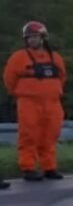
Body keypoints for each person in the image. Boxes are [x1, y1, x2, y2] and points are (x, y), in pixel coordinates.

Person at [3, 21, 67, 181]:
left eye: (36, 36)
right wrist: (22, 93)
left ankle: (49, 167)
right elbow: (9, 79)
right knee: (29, 135)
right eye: (29, 37)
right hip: (29, 102)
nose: (32, 40)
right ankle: (28, 168)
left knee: (50, 135)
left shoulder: (55, 57)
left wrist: (51, 91)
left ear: (43, 38)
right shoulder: (19, 57)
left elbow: (62, 77)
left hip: (52, 103)